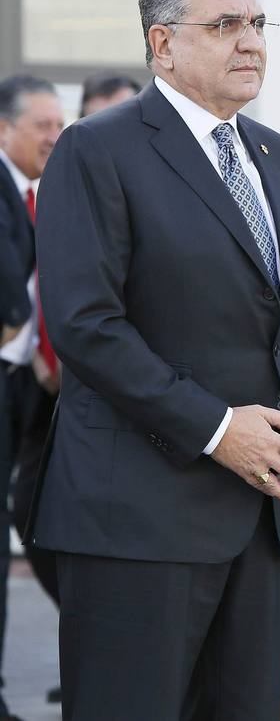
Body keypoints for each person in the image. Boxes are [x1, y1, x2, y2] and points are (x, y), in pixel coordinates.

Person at [28, 0, 280, 720]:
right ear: (162, 45)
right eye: (226, 24)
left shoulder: (278, 156)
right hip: (140, 522)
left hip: (268, 521)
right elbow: (86, 325)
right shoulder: (96, 150)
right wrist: (217, 430)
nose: (252, 41)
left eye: (259, 23)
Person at [0, 74, 62, 721]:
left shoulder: (34, 194)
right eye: (41, 125)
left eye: (58, 124)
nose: (54, 136)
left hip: (30, 389)